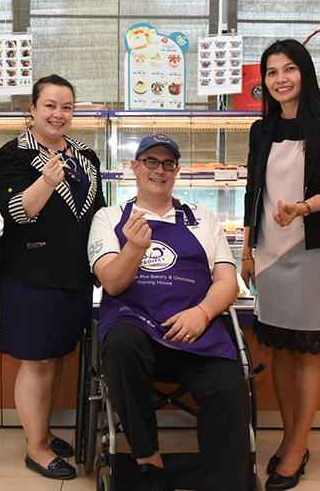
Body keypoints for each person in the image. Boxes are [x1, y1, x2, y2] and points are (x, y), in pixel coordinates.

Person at [89, 134, 251, 491]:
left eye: (168, 163)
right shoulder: (109, 218)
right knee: (121, 344)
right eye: (150, 161)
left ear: (176, 170)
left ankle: (225, 484)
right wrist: (134, 247)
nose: (159, 170)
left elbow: (227, 279)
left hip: (196, 332)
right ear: (134, 167)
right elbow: (112, 284)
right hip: (137, 333)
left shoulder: (203, 218)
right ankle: (149, 464)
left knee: (228, 388)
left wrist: (203, 313)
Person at [241, 39, 320, 490]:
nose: (280, 79)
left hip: (315, 249)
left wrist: (302, 209)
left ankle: (296, 445)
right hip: (269, 251)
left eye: (289, 69)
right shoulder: (261, 129)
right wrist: (247, 252)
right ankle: (293, 439)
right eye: (271, 72)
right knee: (282, 346)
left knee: (308, 347)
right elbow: (254, 194)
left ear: (304, 73)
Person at [0, 74, 105, 480]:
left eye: (67, 107)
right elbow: (17, 213)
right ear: (33, 109)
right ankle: (35, 448)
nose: (59, 114)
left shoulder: (85, 155)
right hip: (31, 276)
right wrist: (46, 181)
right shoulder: (11, 156)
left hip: (74, 276)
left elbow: (98, 215)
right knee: (37, 362)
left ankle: (43, 431)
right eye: (50, 105)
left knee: (56, 358)